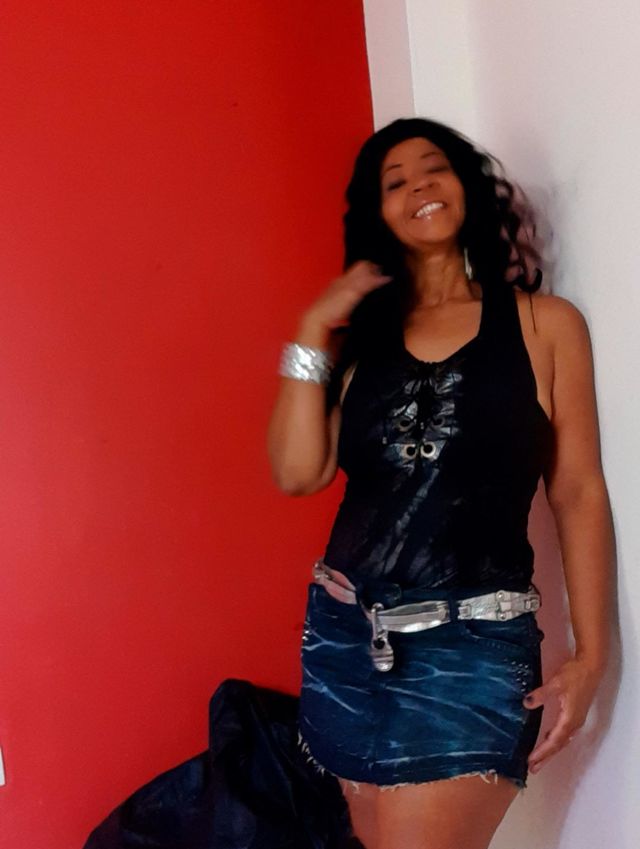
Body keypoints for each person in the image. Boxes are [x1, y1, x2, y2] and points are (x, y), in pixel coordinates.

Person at [267, 117, 614, 849]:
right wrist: (313, 327)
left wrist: (593, 654)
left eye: (435, 168)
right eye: (395, 182)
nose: (419, 186)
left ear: (466, 187)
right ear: (379, 213)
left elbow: (578, 491)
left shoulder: (544, 326)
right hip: (342, 638)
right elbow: (299, 472)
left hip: (472, 650)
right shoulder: (361, 343)